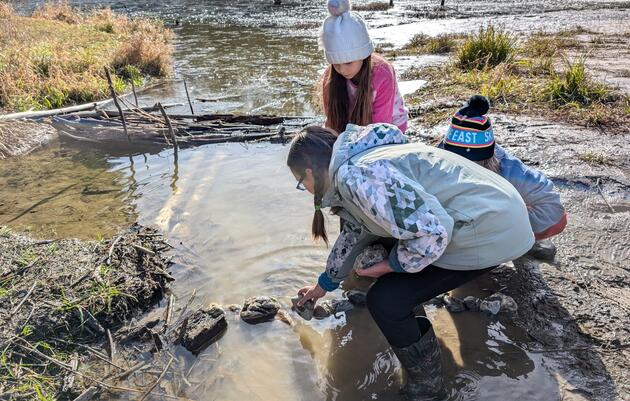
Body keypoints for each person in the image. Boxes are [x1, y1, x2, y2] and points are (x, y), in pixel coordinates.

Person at [287, 123, 534, 400]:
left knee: (386, 299)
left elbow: (434, 232)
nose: (305, 189)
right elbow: (356, 232)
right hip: (503, 215)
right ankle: (425, 353)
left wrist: (391, 265)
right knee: (398, 276)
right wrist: (323, 285)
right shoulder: (364, 156)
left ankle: (427, 389)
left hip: (490, 230)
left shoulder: (355, 176)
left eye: (300, 183)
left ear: (309, 172)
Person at [441, 95, 567, 249]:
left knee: (558, 221)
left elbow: (553, 209)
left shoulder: (510, 170)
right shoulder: (434, 159)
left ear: (488, 160)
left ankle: (526, 242)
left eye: (470, 166)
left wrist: (508, 228)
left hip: (496, 223)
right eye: (455, 163)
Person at [320, 0, 408, 134]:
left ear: (363, 55)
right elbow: (331, 121)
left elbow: (380, 127)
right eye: (336, 64)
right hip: (352, 127)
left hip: (388, 128)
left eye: (348, 63)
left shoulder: (383, 74)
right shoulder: (330, 77)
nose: (342, 70)